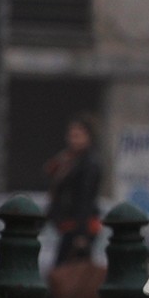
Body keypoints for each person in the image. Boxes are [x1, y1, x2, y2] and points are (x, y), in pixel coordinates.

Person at [43, 112, 103, 266]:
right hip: (69, 223)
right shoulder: (67, 160)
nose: (72, 140)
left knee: (68, 270)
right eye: (71, 135)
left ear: (88, 137)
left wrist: (81, 233)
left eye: (78, 135)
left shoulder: (88, 164)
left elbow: (84, 198)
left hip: (80, 225)